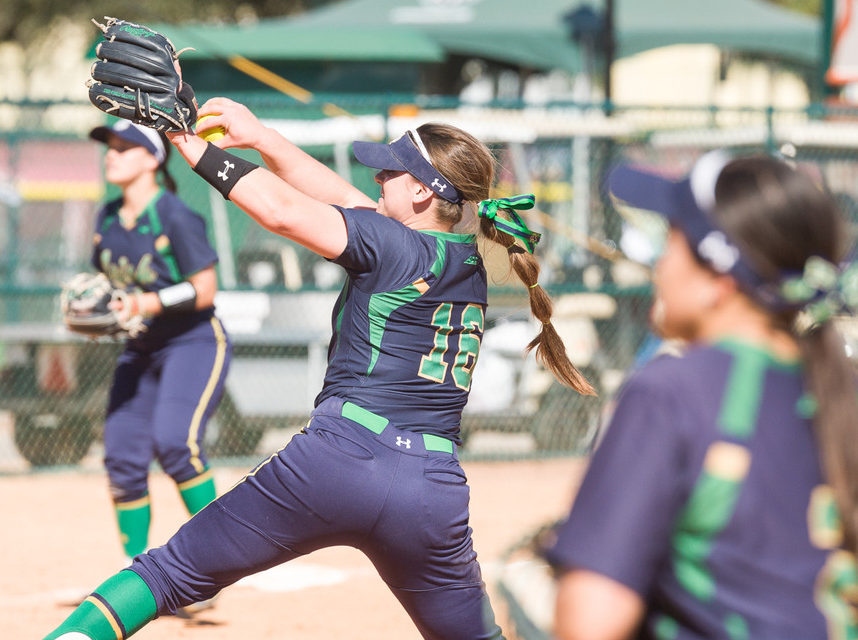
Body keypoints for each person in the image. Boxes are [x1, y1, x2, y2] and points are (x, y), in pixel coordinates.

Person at [45, 98, 595, 640]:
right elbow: (339, 198)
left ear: (423, 191)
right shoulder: (466, 258)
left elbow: (282, 211)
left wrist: (187, 142)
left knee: (167, 574)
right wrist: (260, 137)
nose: (379, 178)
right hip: (431, 492)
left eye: (391, 172)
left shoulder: (389, 244)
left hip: (337, 462)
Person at [546, 151, 858, 640]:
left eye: (671, 240)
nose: (659, 262)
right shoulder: (840, 388)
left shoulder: (672, 393)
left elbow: (590, 623)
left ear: (719, 278)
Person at [85, 120, 231, 572]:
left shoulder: (174, 215)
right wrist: (97, 312)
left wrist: (144, 302)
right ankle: (137, 575)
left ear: (153, 158)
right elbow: (110, 289)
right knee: (123, 456)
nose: (112, 153)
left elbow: (205, 288)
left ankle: (216, 562)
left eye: (125, 147)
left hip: (193, 341)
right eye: (110, 146)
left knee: (176, 443)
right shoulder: (108, 217)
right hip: (141, 347)